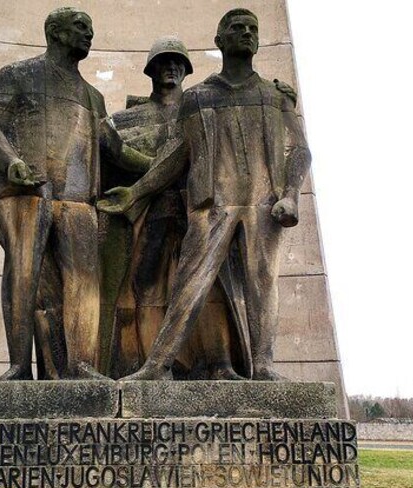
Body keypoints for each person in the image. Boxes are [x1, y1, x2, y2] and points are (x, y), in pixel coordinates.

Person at [98, 9, 311, 381]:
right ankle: (156, 364)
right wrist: (135, 193)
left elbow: (299, 150)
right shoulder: (197, 98)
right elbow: (175, 157)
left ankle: (263, 365)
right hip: (212, 206)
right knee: (190, 282)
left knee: (262, 283)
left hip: (264, 205)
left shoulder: (274, 96)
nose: (245, 33)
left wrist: (291, 194)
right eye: (236, 28)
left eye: (251, 29)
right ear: (219, 41)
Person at [0, 7, 151, 380]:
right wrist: (10, 161)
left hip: (78, 202)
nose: (89, 34)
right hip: (25, 193)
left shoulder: (92, 96)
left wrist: (160, 164)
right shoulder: (18, 75)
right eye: (80, 27)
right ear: (55, 32)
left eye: (91, 27)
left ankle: (81, 366)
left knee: (84, 282)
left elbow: (115, 149)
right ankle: (19, 367)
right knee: (23, 275)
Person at [103, 37, 244, 380]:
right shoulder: (127, 120)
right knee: (145, 290)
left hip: (196, 210)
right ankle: (151, 366)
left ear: (186, 70)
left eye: (178, 63)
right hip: (151, 213)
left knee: (209, 288)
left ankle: (219, 364)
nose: (171, 68)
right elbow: (111, 160)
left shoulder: (201, 111)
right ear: (151, 70)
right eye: (164, 63)